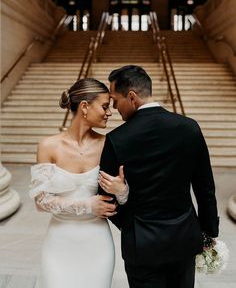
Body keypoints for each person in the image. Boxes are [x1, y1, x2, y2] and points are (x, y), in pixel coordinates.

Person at [98, 65, 219, 288]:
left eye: (115, 100)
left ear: (132, 97)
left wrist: (130, 224)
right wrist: (209, 233)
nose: (114, 108)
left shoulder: (117, 139)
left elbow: (106, 199)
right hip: (183, 239)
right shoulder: (189, 128)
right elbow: (205, 187)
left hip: (141, 246)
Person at [29, 78, 128, 288]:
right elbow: (40, 200)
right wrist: (87, 205)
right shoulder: (49, 146)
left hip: (97, 243)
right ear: (84, 106)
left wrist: (123, 191)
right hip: (59, 242)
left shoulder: (108, 145)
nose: (110, 112)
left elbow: (121, 196)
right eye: (104, 106)